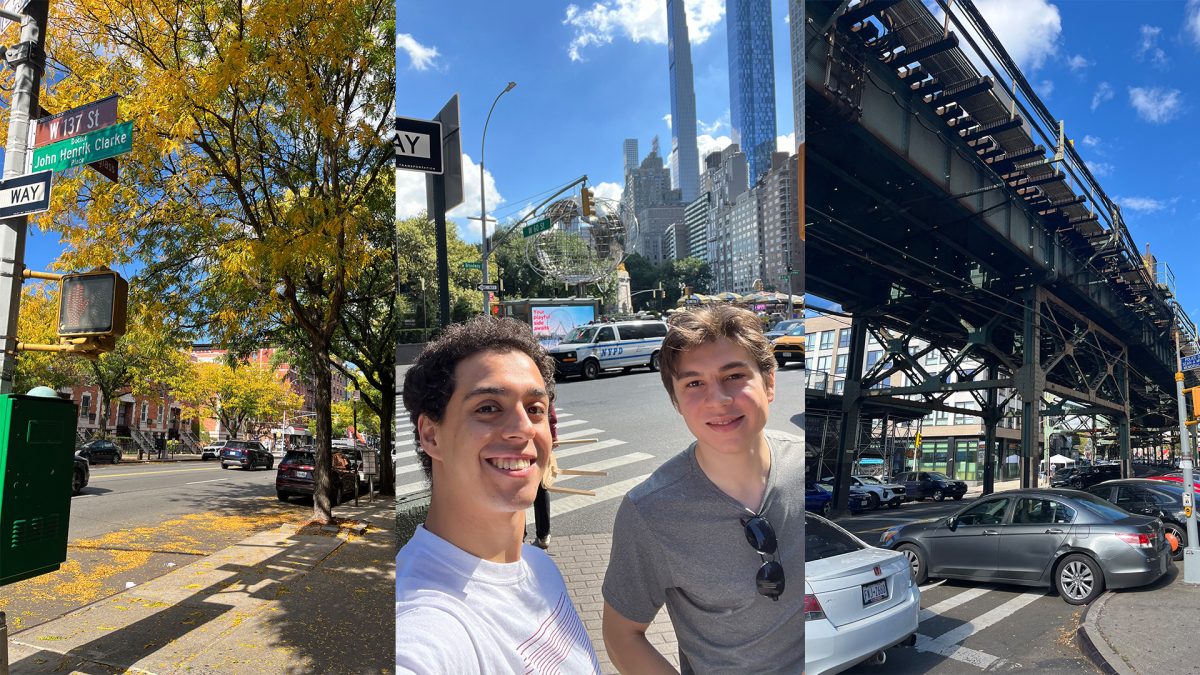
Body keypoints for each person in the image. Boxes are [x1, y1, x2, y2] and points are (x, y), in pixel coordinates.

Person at [601, 305, 804, 674]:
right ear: (676, 401)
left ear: (769, 382)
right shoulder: (649, 511)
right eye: (694, 383)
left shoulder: (802, 463)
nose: (718, 400)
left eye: (734, 375)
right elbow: (621, 634)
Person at [396, 316, 600, 674]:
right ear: (431, 436)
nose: (523, 428)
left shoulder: (540, 570)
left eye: (535, 409)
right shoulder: (425, 623)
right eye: (488, 408)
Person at [530, 406, 557, 549]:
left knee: (539, 488)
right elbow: (551, 415)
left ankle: (541, 534)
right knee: (539, 489)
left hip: (535, 444)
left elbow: (550, 415)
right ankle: (543, 535)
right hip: (535, 444)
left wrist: (552, 437)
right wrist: (553, 437)